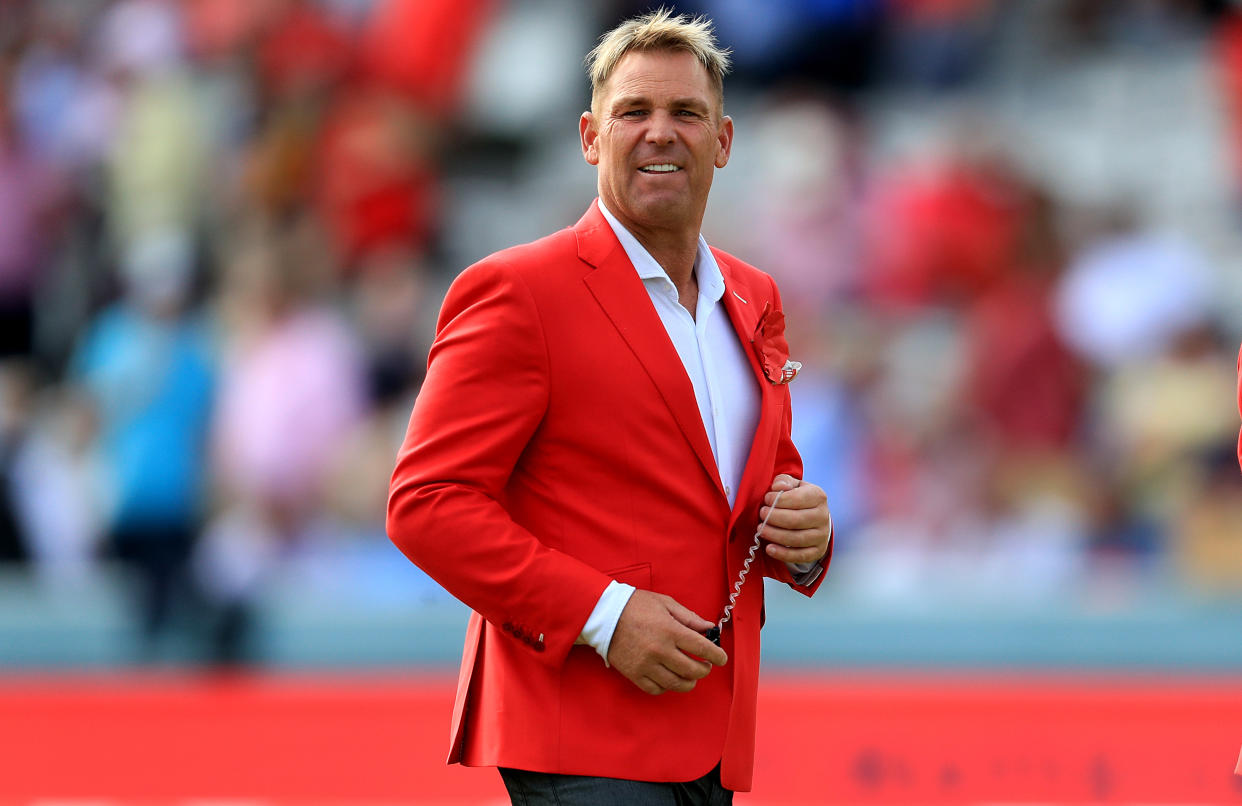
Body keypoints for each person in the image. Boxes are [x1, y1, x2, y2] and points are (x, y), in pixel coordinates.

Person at [386, 10, 833, 803]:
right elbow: (426, 505)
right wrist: (605, 615)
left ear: (723, 142)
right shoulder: (518, 291)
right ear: (591, 136)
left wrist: (802, 536)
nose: (661, 133)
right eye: (635, 112)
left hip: (712, 735)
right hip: (582, 729)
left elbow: (758, 488)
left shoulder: (753, 296)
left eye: (686, 114)